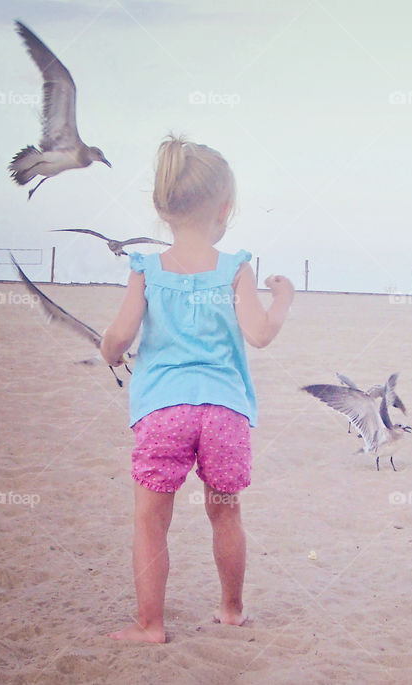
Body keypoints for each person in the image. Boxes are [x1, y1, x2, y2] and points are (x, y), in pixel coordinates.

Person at [100, 135, 294, 643]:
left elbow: (119, 337)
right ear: (225, 208)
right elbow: (260, 334)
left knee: (150, 519)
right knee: (225, 513)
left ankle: (150, 624)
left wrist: (109, 352)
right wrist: (284, 297)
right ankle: (232, 610)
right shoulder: (235, 269)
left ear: (162, 207)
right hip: (224, 412)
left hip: (163, 409)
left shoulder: (146, 270)